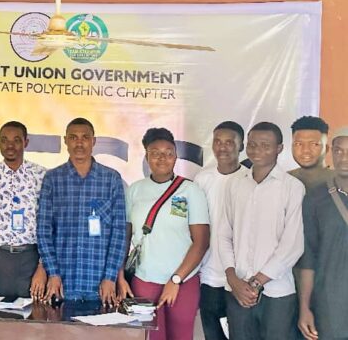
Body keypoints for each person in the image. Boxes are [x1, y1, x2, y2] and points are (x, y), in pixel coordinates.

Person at [118, 128, 210, 340]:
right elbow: (124, 237)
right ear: (146, 157)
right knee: (150, 337)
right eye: (155, 152)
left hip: (183, 282)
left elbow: (201, 242)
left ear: (176, 156)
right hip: (144, 281)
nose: (162, 158)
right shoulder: (134, 190)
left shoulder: (190, 191)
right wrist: (119, 275)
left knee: (181, 336)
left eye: (168, 152)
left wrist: (176, 280)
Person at [218, 121, 304, 340]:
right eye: (253, 144)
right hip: (237, 290)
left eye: (265, 145)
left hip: (277, 292)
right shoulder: (235, 184)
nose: (257, 150)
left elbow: (293, 244)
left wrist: (255, 283)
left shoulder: (292, 187)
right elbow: (223, 234)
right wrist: (233, 279)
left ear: (279, 148)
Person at [37, 117, 126, 304]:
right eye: (73, 137)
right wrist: (52, 273)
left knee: (98, 334)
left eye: (85, 137)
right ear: (66, 141)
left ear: (93, 141)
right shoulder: (52, 179)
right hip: (61, 284)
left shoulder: (111, 179)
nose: (79, 142)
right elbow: (44, 232)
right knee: (60, 333)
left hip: (101, 286)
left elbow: (119, 233)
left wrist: (110, 277)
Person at [0, 121, 47, 301]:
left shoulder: (42, 177)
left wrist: (43, 268)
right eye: (5, 140)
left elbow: (50, 225)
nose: (10, 146)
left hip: (31, 258)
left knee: (34, 320)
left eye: (16, 140)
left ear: (26, 142)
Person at [194, 121, 250, 340]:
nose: (222, 147)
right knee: (213, 335)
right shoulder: (202, 179)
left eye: (229, 142)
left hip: (240, 276)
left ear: (241, 146)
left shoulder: (249, 178)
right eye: (218, 141)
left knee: (241, 334)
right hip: (208, 275)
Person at [297, 126, 348, 340]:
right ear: (330, 152)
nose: (344, 157)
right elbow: (308, 258)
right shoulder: (316, 198)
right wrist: (305, 307)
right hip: (330, 302)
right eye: (338, 151)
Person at [289, 116, 332, 193]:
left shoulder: (342, 182)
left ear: (327, 148)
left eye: (314, 144)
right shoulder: (283, 180)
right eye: (298, 144)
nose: (306, 150)